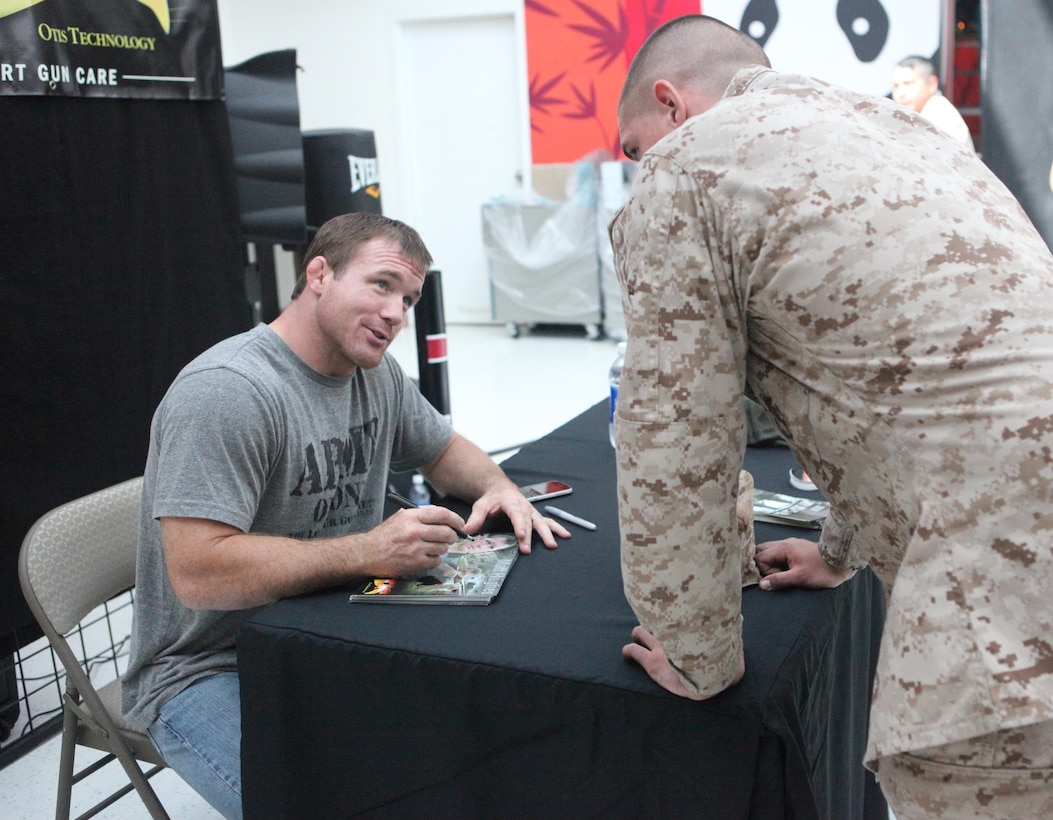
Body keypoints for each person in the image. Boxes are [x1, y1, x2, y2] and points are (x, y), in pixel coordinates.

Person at [612, 15, 1053, 819]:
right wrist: (841, 551)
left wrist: (698, 650)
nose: (638, 171)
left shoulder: (687, 169)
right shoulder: (898, 132)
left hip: (1004, 596)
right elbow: (894, 371)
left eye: (633, 149)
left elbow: (674, 437)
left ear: (669, 105)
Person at [121, 212, 571, 819]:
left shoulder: (375, 373)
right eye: (381, 285)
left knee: (470, 746)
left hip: (327, 631)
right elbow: (199, 574)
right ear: (319, 274)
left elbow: (440, 447)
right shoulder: (228, 392)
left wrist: (500, 486)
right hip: (207, 667)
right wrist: (366, 551)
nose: (396, 314)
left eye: (408, 298)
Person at [892, 54, 974, 149]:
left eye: (908, 84)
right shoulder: (921, 114)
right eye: (896, 86)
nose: (901, 93)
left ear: (932, 84)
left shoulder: (939, 115)